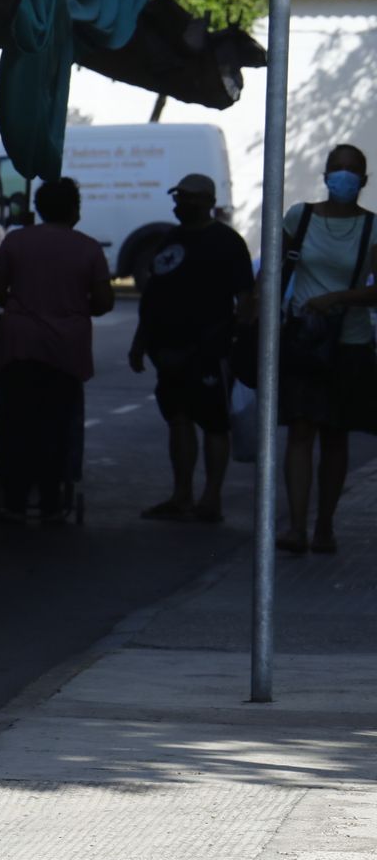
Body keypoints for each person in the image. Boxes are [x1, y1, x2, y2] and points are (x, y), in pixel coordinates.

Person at [0, 178, 114, 523]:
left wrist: (23, 304)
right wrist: (74, 307)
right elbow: (104, 301)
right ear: (75, 210)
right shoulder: (88, 248)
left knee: (16, 424)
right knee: (57, 426)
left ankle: (13, 500)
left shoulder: (17, 241)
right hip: (65, 352)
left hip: (18, 347)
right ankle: (50, 503)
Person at [129, 173, 253, 523]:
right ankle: (181, 495)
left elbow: (245, 298)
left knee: (214, 423)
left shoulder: (227, 242)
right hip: (167, 351)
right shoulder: (171, 237)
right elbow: (154, 296)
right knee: (178, 421)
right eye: (178, 197)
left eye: (189, 198)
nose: (181, 204)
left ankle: (210, 499)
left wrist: (240, 342)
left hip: (210, 349)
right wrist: (140, 342)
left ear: (208, 202)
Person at [272, 144, 377, 554]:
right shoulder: (301, 216)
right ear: (325, 175)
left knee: (335, 437)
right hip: (305, 341)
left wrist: (337, 299)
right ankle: (296, 526)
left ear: (364, 181)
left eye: (353, 172)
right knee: (300, 430)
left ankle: (325, 525)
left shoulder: (372, 227)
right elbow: (276, 269)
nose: (344, 178)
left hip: (348, 345)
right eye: (338, 169)